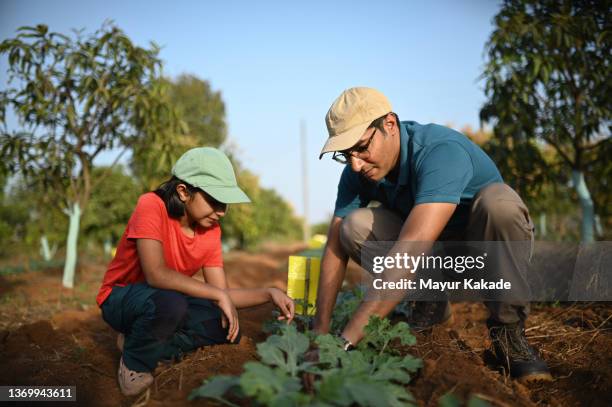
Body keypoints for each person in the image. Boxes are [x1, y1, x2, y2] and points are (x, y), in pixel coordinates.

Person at [312, 87, 552, 382]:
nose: (355, 164)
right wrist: (319, 334)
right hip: (435, 258)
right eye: (345, 155)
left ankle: (510, 334)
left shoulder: (440, 152)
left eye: (361, 148)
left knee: (498, 204)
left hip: (488, 255)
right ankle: (430, 302)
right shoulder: (358, 171)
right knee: (353, 227)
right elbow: (334, 245)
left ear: (389, 124)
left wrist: (344, 343)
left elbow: (408, 255)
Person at [96, 147, 295, 396]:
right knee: (172, 303)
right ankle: (135, 364)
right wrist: (217, 295)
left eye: (225, 204)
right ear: (183, 191)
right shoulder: (151, 206)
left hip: (165, 302)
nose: (221, 212)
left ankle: (137, 343)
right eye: (215, 201)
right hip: (121, 299)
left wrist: (269, 293)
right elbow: (156, 274)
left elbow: (222, 295)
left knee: (224, 327)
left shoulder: (210, 231)